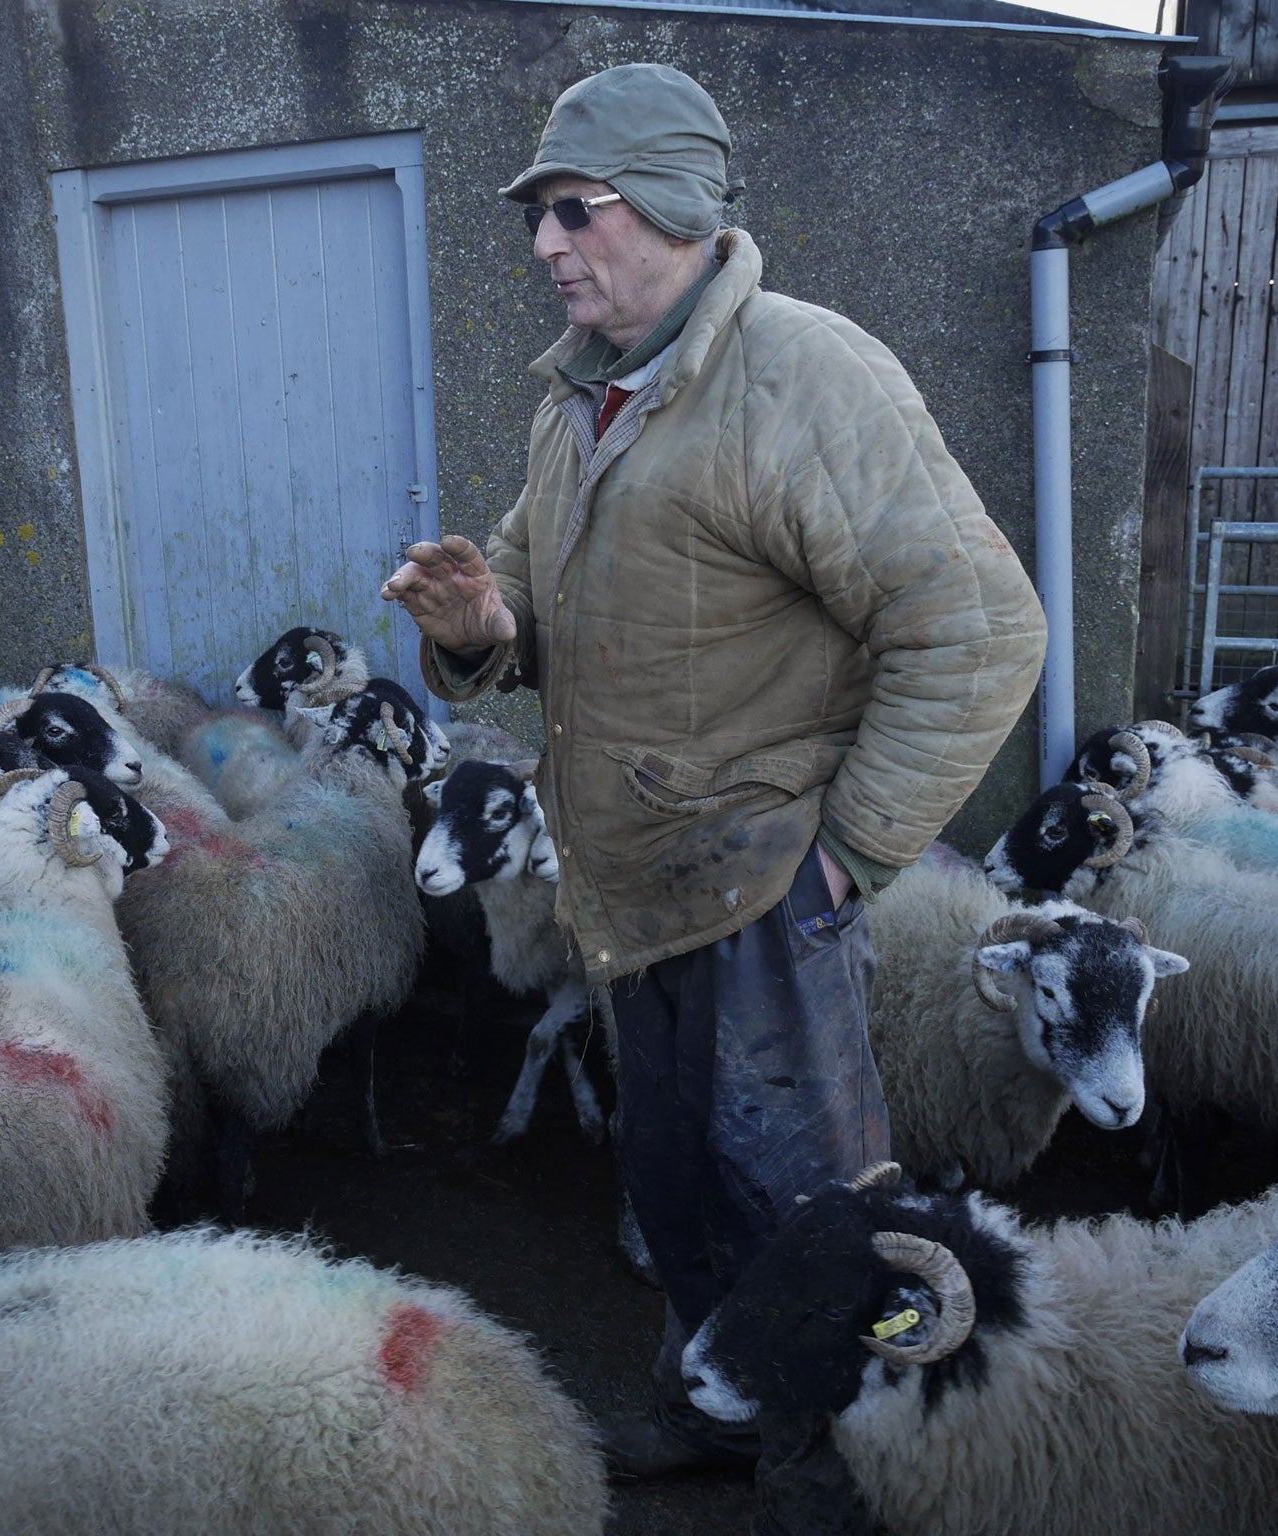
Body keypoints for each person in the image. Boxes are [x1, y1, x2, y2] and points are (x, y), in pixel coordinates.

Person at [381, 62, 1047, 1536]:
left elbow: (979, 628)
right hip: (636, 888)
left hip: (763, 892)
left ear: (677, 207)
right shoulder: (582, 401)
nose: (547, 243)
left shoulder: (803, 375)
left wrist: (850, 852)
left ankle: (832, 1483)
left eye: (578, 209)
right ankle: (709, 1415)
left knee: (801, 1218)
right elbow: (523, 607)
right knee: (673, 1186)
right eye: (538, 215)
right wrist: (476, 622)